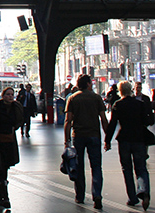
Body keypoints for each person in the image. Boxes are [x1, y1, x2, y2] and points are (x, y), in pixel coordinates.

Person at [105, 80, 154, 210]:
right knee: (141, 168)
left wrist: (107, 141)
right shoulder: (139, 104)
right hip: (139, 139)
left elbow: (113, 124)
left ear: (120, 91)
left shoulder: (118, 105)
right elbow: (147, 120)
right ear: (131, 89)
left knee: (127, 168)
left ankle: (132, 198)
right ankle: (144, 191)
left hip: (124, 139)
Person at [64, 73, 108, 209]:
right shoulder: (96, 98)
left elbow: (68, 121)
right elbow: (103, 118)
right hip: (94, 135)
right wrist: (107, 137)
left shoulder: (72, 98)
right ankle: (97, 195)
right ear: (89, 84)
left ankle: (80, 196)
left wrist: (67, 140)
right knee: (96, 166)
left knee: (79, 166)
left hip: (78, 136)